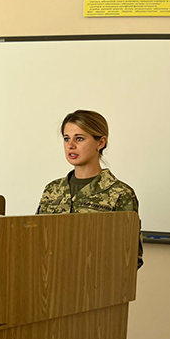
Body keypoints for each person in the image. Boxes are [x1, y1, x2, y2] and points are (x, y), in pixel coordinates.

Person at [36, 109, 143, 269]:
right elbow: (36, 241)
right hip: (49, 280)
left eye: (79, 138)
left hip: (96, 282)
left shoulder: (120, 194)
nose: (70, 146)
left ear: (101, 143)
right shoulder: (52, 190)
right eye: (66, 138)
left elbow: (131, 257)